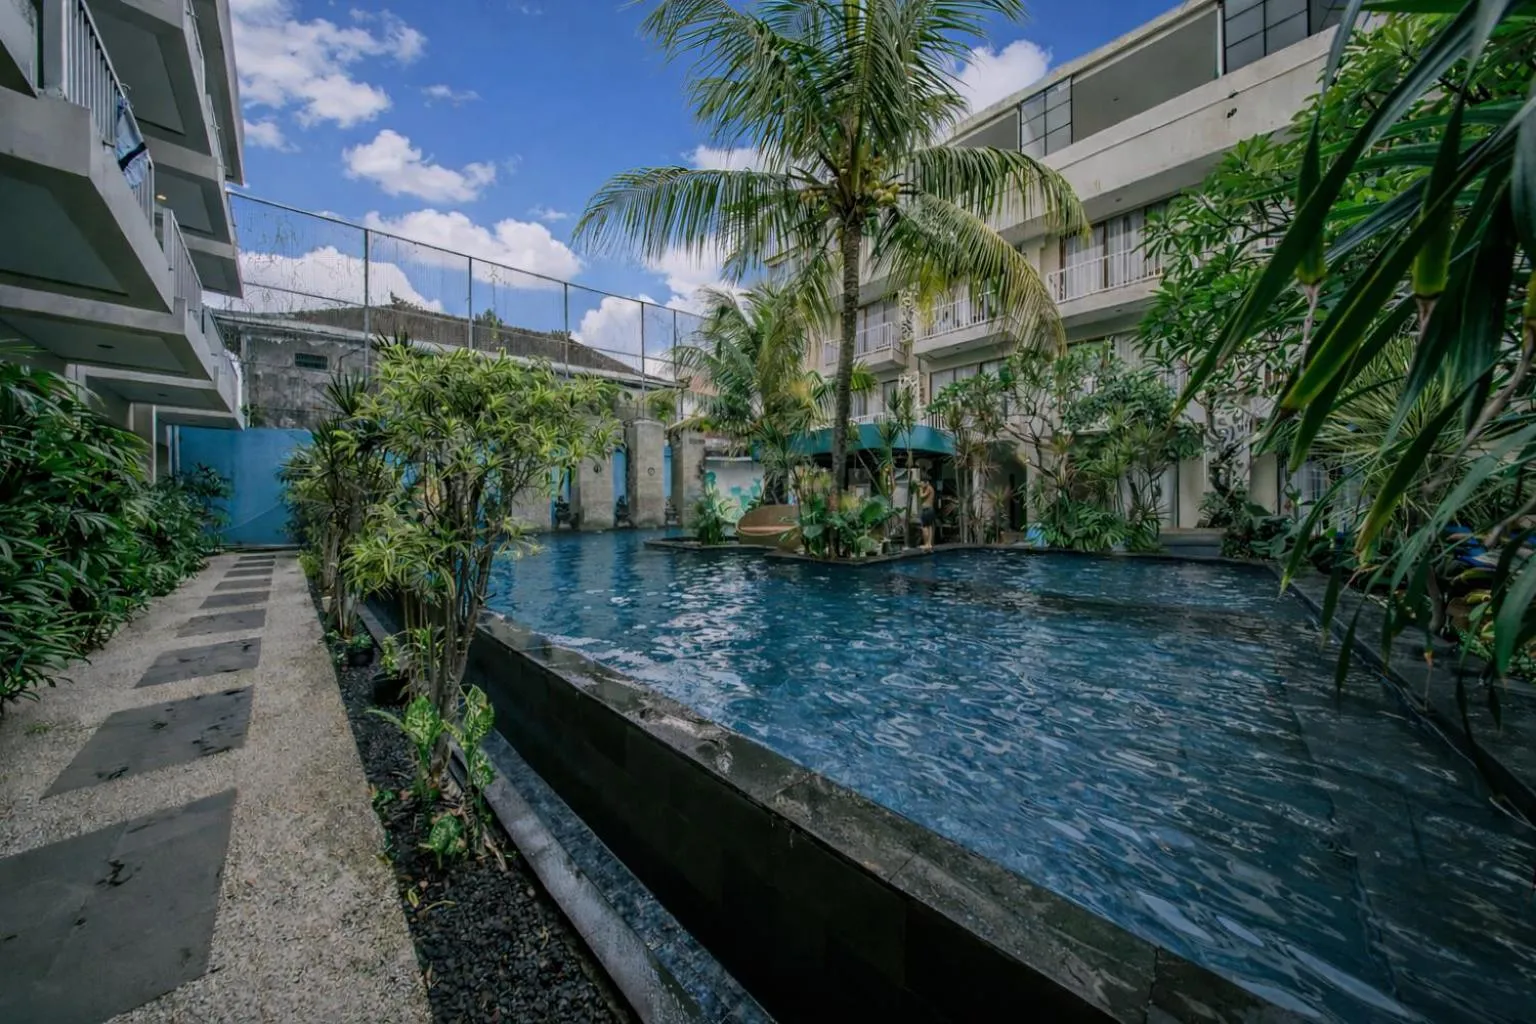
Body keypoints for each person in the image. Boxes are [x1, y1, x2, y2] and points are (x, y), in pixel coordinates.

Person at [919, 478, 937, 552]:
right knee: (929, 527)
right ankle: (929, 544)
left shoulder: (929, 488)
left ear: (927, 483)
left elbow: (922, 496)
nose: (922, 485)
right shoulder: (930, 488)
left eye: (922, 483)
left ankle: (926, 544)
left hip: (927, 510)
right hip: (930, 509)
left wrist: (920, 489)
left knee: (924, 527)